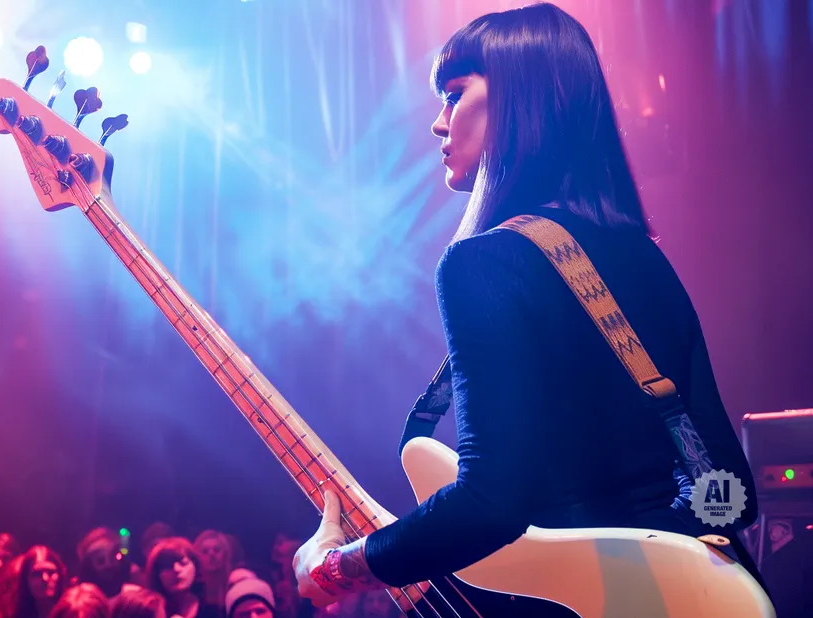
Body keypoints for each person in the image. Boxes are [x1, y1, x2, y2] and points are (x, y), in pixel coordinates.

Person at [291, 1, 762, 608]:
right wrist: (654, 558)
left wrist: (341, 567)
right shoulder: (646, 258)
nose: (439, 122)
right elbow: (730, 488)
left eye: (455, 93)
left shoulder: (483, 261)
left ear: (519, 98)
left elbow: (492, 500)